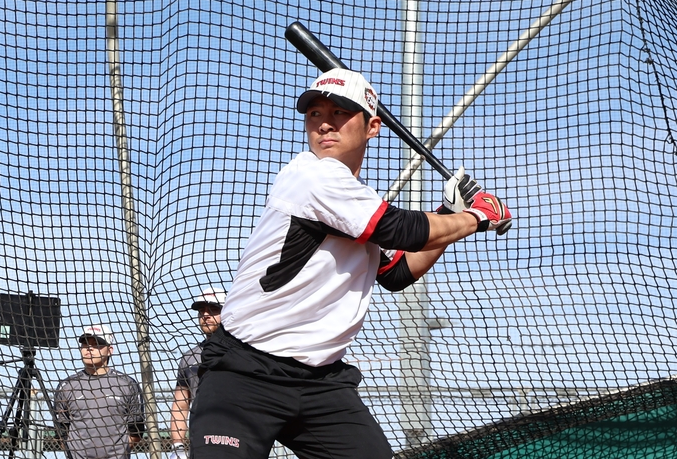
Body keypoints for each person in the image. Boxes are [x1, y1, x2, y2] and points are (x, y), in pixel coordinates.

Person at [189, 68, 512, 459]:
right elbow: (399, 229)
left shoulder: (357, 199)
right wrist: (476, 217)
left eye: (340, 113)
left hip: (321, 383)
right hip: (245, 373)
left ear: (372, 126)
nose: (324, 124)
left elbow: (396, 272)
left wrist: (449, 213)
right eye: (315, 114)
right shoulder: (311, 176)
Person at [54, 324, 145, 459]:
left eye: (96, 344)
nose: (89, 348)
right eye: (85, 344)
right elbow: (61, 431)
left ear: (110, 350)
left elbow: (136, 430)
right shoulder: (67, 386)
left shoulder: (127, 384)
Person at [169, 287, 225, 459]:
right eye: (201, 310)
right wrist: (177, 446)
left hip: (238, 438)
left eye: (213, 309)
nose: (205, 315)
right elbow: (181, 404)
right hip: (201, 441)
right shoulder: (189, 358)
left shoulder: (244, 351)